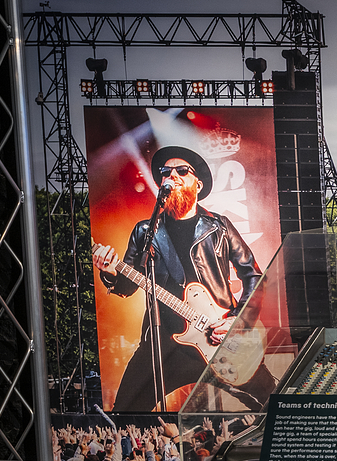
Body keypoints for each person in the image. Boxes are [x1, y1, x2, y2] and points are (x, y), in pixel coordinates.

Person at [91, 146, 274, 411]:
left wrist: (239, 321)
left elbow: (253, 275)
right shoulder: (146, 231)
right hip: (164, 342)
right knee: (126, 412)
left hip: (219, 336)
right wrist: (109, 271)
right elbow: (127, 285)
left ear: (197, 184)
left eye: (181, 171)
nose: (172, 175)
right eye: (166, 172)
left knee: (272, 402)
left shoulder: (219, 226)